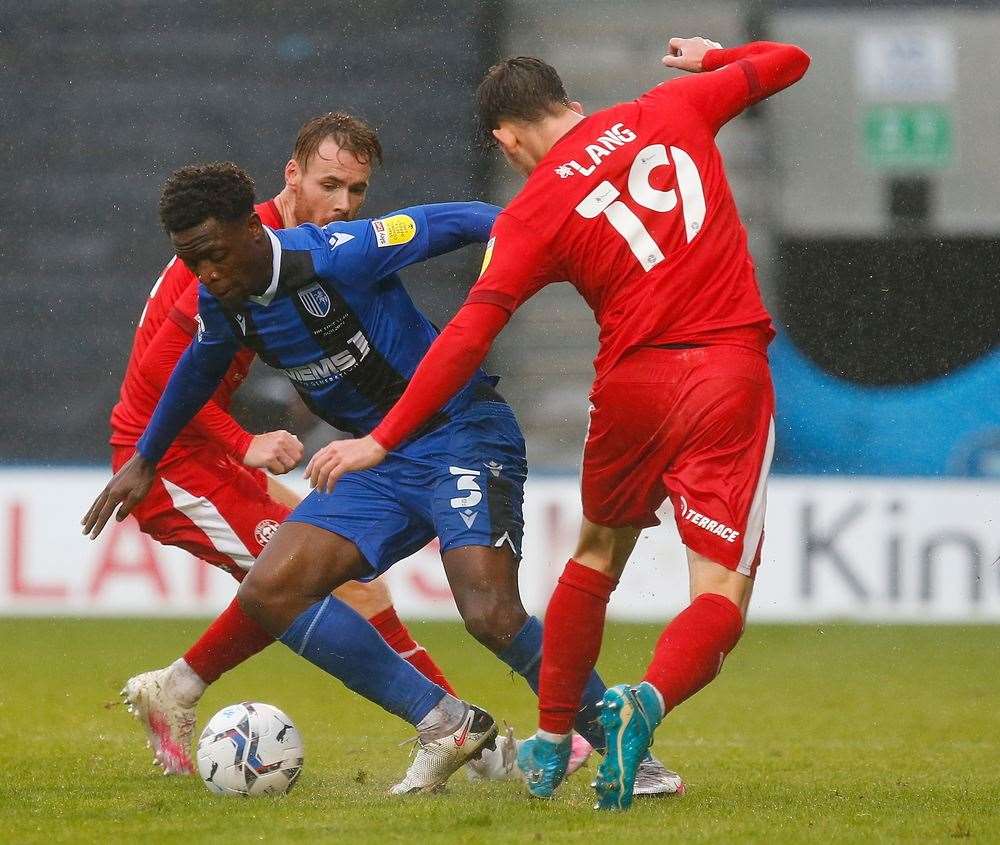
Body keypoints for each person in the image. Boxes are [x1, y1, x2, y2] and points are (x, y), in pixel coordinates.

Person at [302, 36, 811, 809]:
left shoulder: (529, 214)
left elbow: (468, 334)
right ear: (569, 101)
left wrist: (382, 436)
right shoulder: (672, 105)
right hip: (723, 372)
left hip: (630, 386)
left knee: (596, 556)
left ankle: (549, 739)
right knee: (716, 589)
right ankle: (646, 701)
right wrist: (715, 58)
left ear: (507, 139)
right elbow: (791, 61)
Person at [81, 160, 638, 796]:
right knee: (273, 588)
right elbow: (192, 374)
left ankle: (633, 752)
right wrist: (146, 458)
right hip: (381, 457)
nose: (204, 273)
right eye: (191, 261)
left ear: (249, 227)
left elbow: (459, 222)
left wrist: (546, 243)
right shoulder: (224, 299)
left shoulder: (340, 253)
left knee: (489, 613)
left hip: (461, 432)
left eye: (211, 255)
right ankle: (447, 725)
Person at [107, 114, 457, 776]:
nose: (343, 206)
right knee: (310, 585)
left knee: (348, 582)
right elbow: (157, 376)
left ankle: (176, 689)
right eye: (330, 185)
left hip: (197, 455)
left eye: (355, 192)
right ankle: (459, 731)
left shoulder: (286, 245)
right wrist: (243, 441)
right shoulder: (232, 239)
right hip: (167, 463)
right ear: (292, 176)